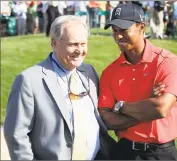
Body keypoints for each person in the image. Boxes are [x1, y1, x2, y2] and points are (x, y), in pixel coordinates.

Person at [4, 15, 115, 160]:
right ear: (54, 43)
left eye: (83, 44)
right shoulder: (29, 81)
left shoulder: (89, 72)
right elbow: (16, 135)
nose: (80, 50)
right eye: (73, 44)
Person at [98, 3, 177, 160]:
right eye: (114, 31)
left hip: (161, 153)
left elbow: (160, 108)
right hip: (124, 152)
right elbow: (107, 120)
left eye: (123, 30)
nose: (118, 37)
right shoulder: (110, 72)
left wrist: (120, 107)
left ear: (141, 27)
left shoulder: (167, 62)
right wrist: (146, 107)